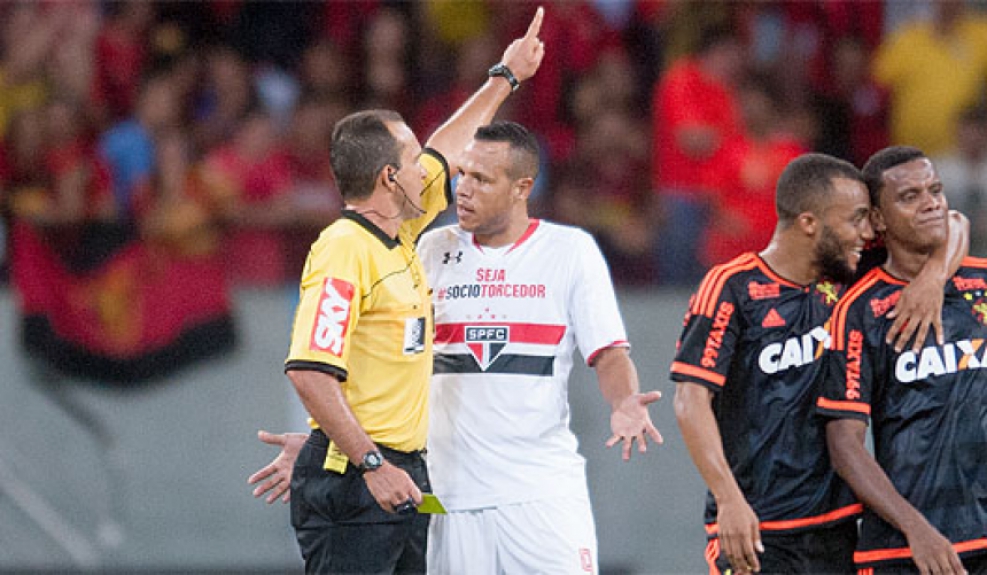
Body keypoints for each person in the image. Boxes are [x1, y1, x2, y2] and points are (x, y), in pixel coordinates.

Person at [251, 120, 662, 575]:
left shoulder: (569, 251)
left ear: (521, 188)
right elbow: (377, 355)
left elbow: (609, 353)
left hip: (542, 493)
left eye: (481, 179)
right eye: (461, 173)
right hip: (446, 499)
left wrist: (625, 400)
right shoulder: (428, 249)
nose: (461, 189)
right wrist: (325, 446)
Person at [273, 8, 545, 574]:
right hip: (365, 482)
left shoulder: (399, 232)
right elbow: (309, 371)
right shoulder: (345, 249)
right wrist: (364, 461)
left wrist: (507, 76)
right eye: (411, 160)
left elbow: (448, 143)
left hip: (398, 475)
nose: (431, 168)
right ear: (390, 180)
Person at [671, 153, 967, 574]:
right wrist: (728, 498)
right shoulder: (733, 286)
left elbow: (954, 224)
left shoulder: (849, 278)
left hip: (842, 527)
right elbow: (690, 399)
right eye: (856, 219)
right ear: (810, 223)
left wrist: (933, 277)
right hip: (758, 526)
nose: (867, 233)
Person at [819, 146, 987, 575]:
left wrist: (933, 276)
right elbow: (844, 444)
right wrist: (916, 528)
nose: (930, 202)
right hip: (908, 551)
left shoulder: (981, 282)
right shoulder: (858, 310)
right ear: (877, 220)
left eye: (935, 190)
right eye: (909, 197)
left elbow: (956, 222)